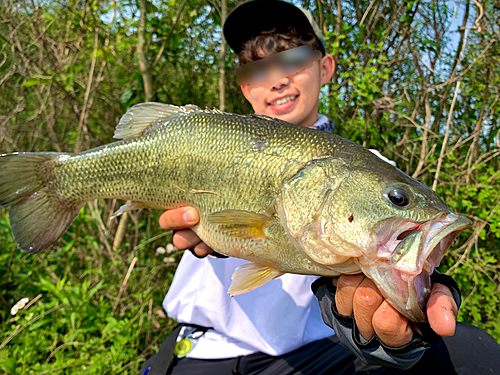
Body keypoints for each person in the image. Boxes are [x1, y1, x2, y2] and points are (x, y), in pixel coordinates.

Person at [141, 1, 500, 374]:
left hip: (312, 354)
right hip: (204, 348)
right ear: (246, 87)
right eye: (258, 69)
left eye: (294, 59)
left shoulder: (372, 168)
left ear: (324, 67)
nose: (278, 78)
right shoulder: (211, 144)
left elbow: (368, 267)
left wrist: (400, 314)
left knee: (470, 355)